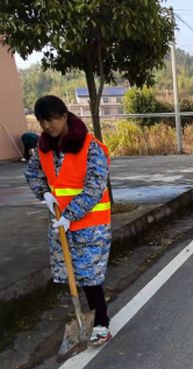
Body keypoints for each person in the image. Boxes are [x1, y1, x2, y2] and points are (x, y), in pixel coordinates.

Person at [25, 95, 112, 345]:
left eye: (50, 119)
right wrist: (44, 193)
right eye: (41, 121)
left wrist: (70, 215)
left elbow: (95, 186)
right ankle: (88, 318)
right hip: (62, 226)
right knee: (75, 276)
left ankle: (101, 323)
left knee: (90, 277)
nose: (46, 126)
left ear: (64, 116)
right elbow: (32, 172)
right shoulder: (43, 148)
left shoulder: (89, 145)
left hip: (90, 226)